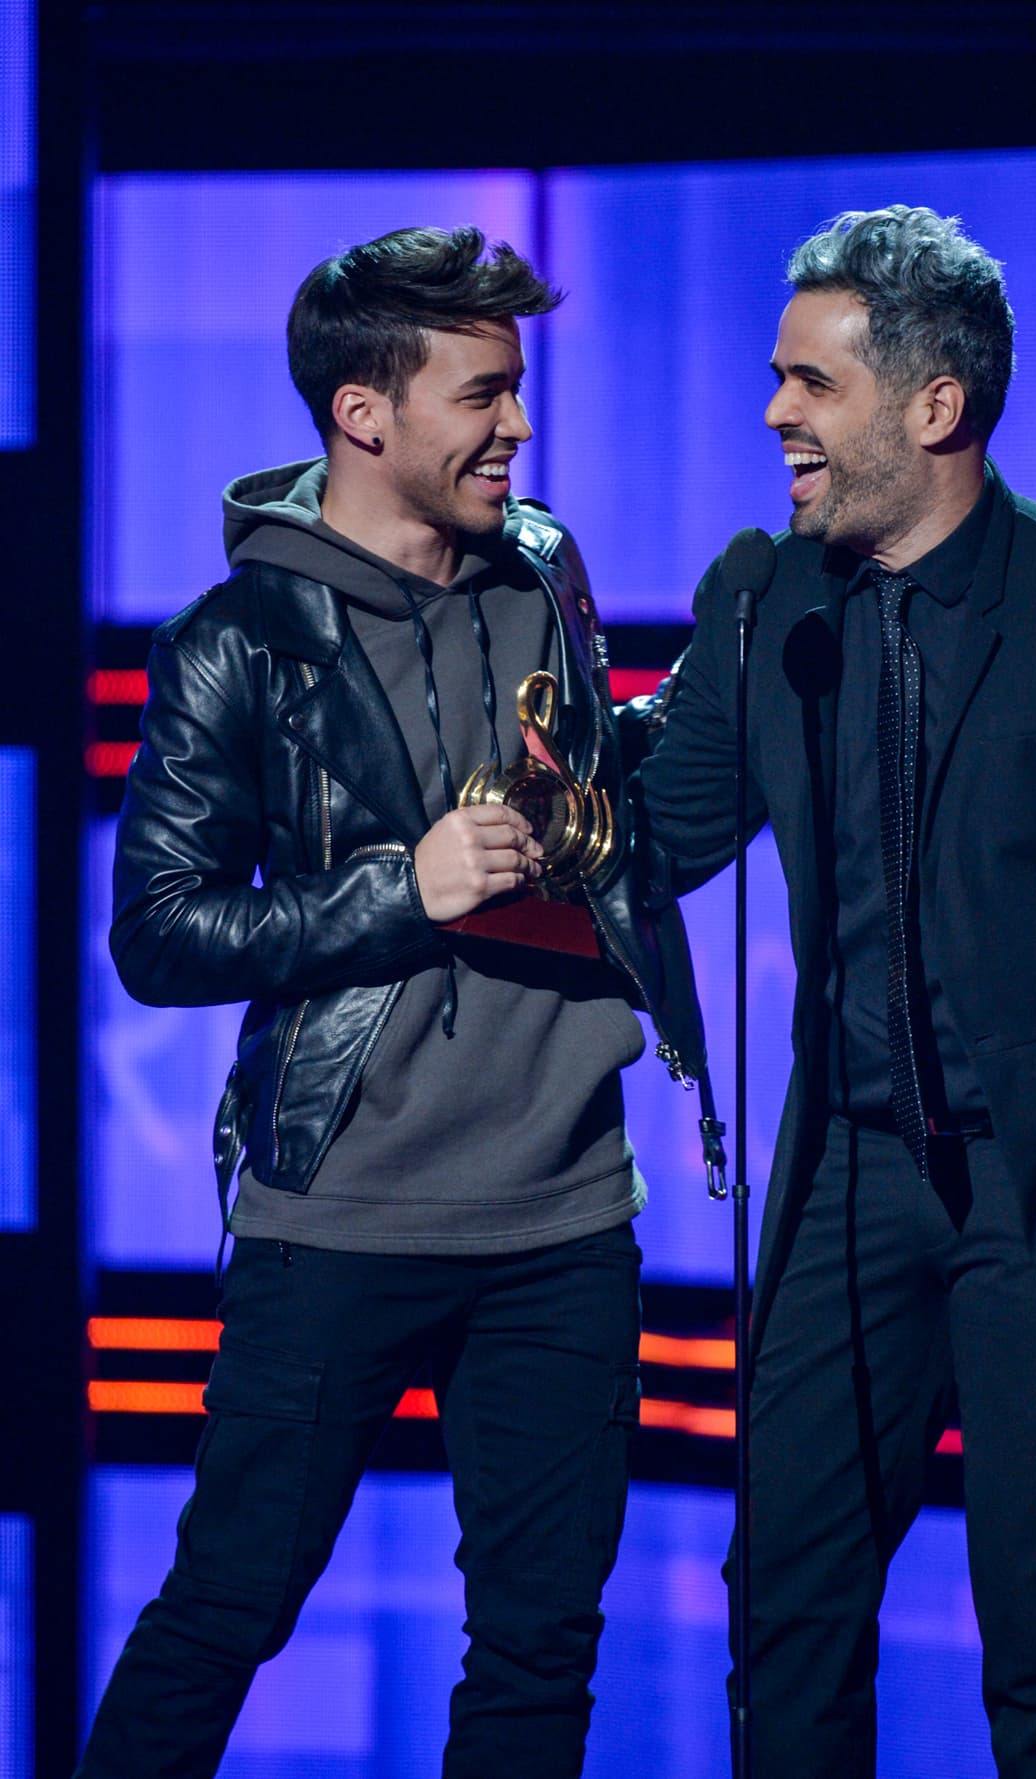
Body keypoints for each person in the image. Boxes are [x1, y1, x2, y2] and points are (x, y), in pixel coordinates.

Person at [636, 205, 1036, 1777]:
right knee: (780, 1598)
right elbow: (665, 834)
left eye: (811, 383)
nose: (776, 415)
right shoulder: (773, 605)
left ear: (935, 407)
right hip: (849, 1175)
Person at [77, 224, 706, 1779]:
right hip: (338, 1224)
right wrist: (396, 888)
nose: (518, 427)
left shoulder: (543, 571)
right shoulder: (236, 644)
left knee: (542, 1649)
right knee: (224, 1609)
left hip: (564, 1218)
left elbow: (578, 798)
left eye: (520, 389)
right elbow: (156, 933)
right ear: (366, 415)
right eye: (482, 394)